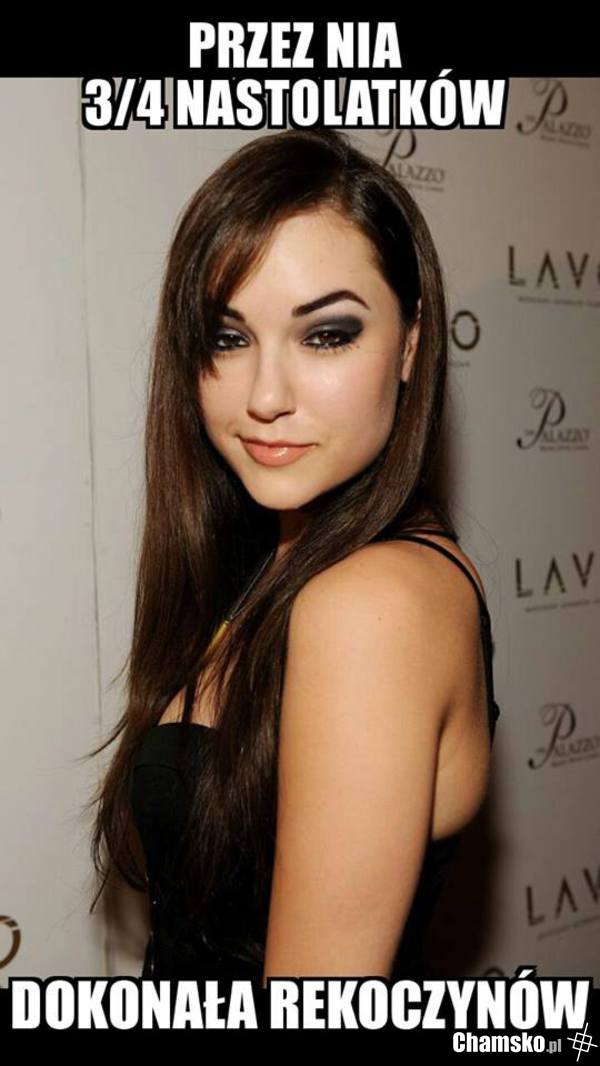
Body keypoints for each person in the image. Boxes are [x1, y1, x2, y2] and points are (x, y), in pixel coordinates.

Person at [83, 127, 500, 983]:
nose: (266, 396)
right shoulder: (273, 562)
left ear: (411, 343)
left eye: (327, 335)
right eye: (228, 338)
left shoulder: (371, 603)